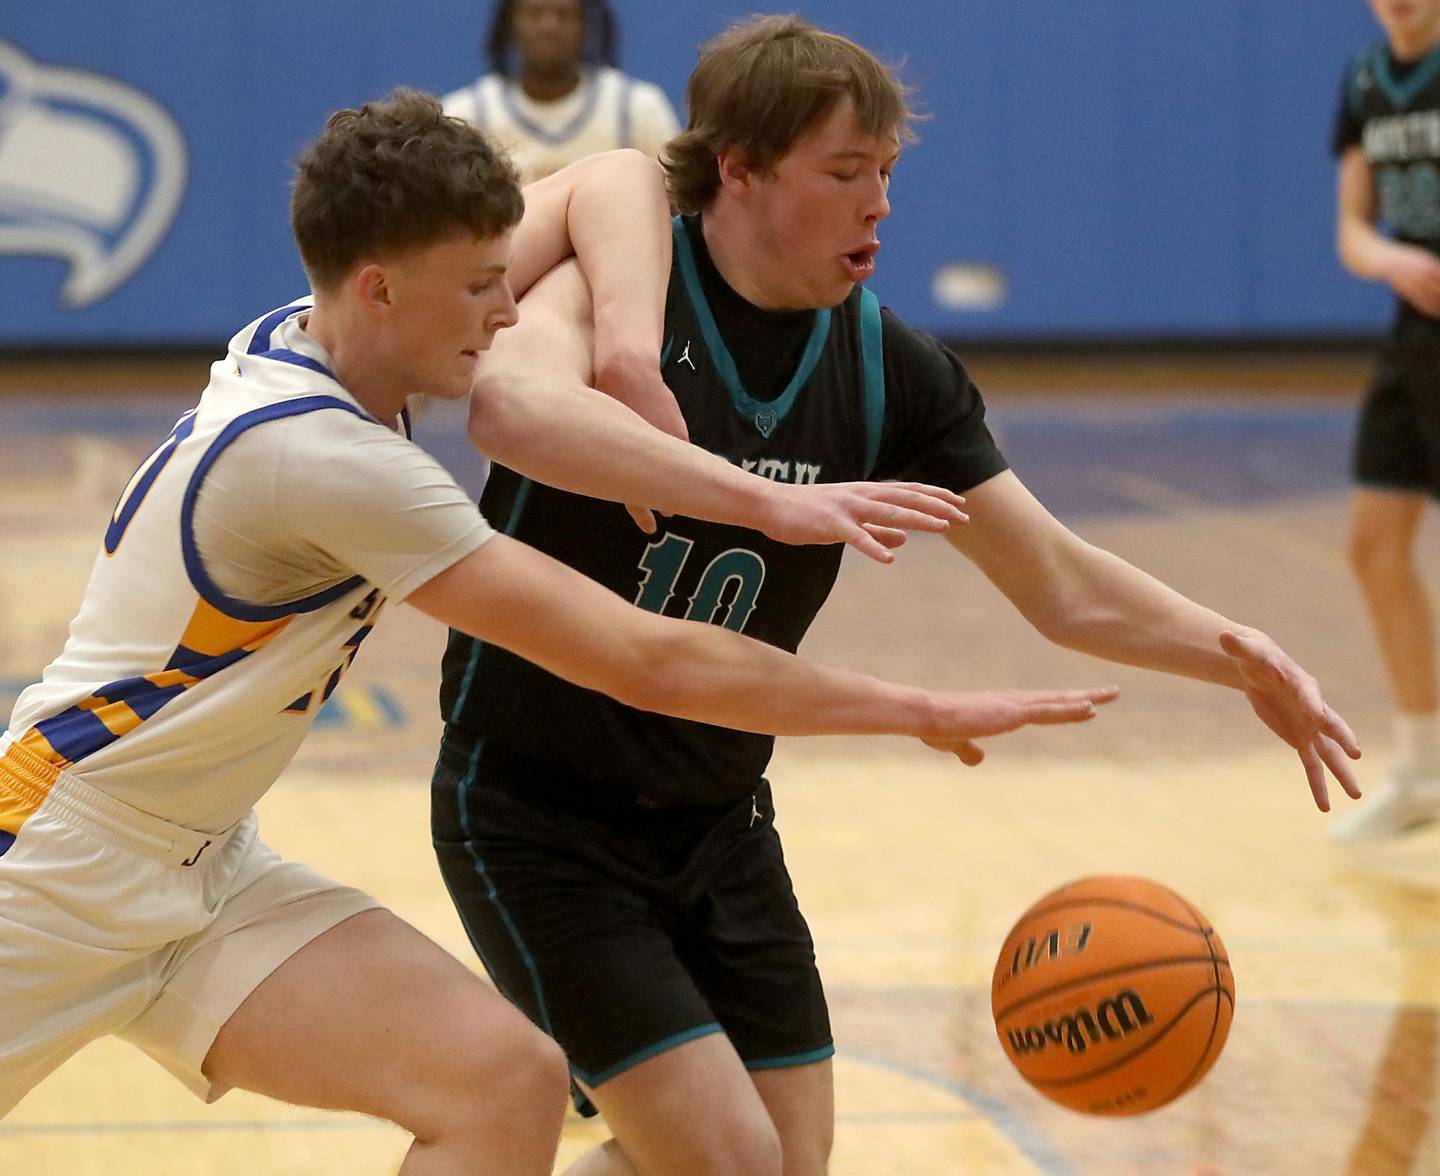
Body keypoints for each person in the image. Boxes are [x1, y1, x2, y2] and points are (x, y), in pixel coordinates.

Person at [0, 87, 1122, 1173]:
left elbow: (613, 176)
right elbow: (648, 655)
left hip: (209, 871)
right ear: (384, 289)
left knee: (503, 1083)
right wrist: (911, 701)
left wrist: (630, 352)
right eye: (485, 288)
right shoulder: (325, 459)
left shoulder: (323, 331)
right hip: (55, 862)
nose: (510, 313)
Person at [432, 17, 1365, 1176]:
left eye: (887, 174)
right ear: (740, 169)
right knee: (727, 1166)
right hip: (538, 812)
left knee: (782, 1164)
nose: (878, 205)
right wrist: (756, 499)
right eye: (843, 173)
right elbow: (512, 411)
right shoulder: (623, 286)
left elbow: (1063, 583)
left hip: (719, 818)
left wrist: (1242, 654)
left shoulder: (892, 373)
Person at [1333, 0, 1440, 841]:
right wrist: (1392, 258)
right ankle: (1426, 770)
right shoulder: (1367, 80)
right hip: (1414, 328)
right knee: (1374, 544)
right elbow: (1353, 228)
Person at [442, 0, 680, 186]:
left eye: (564, 14)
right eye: (534, 13)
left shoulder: (637, 109)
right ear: (510, 23)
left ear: (586, 25)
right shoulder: (465, 117)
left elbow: (678, 198)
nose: (549, 26)